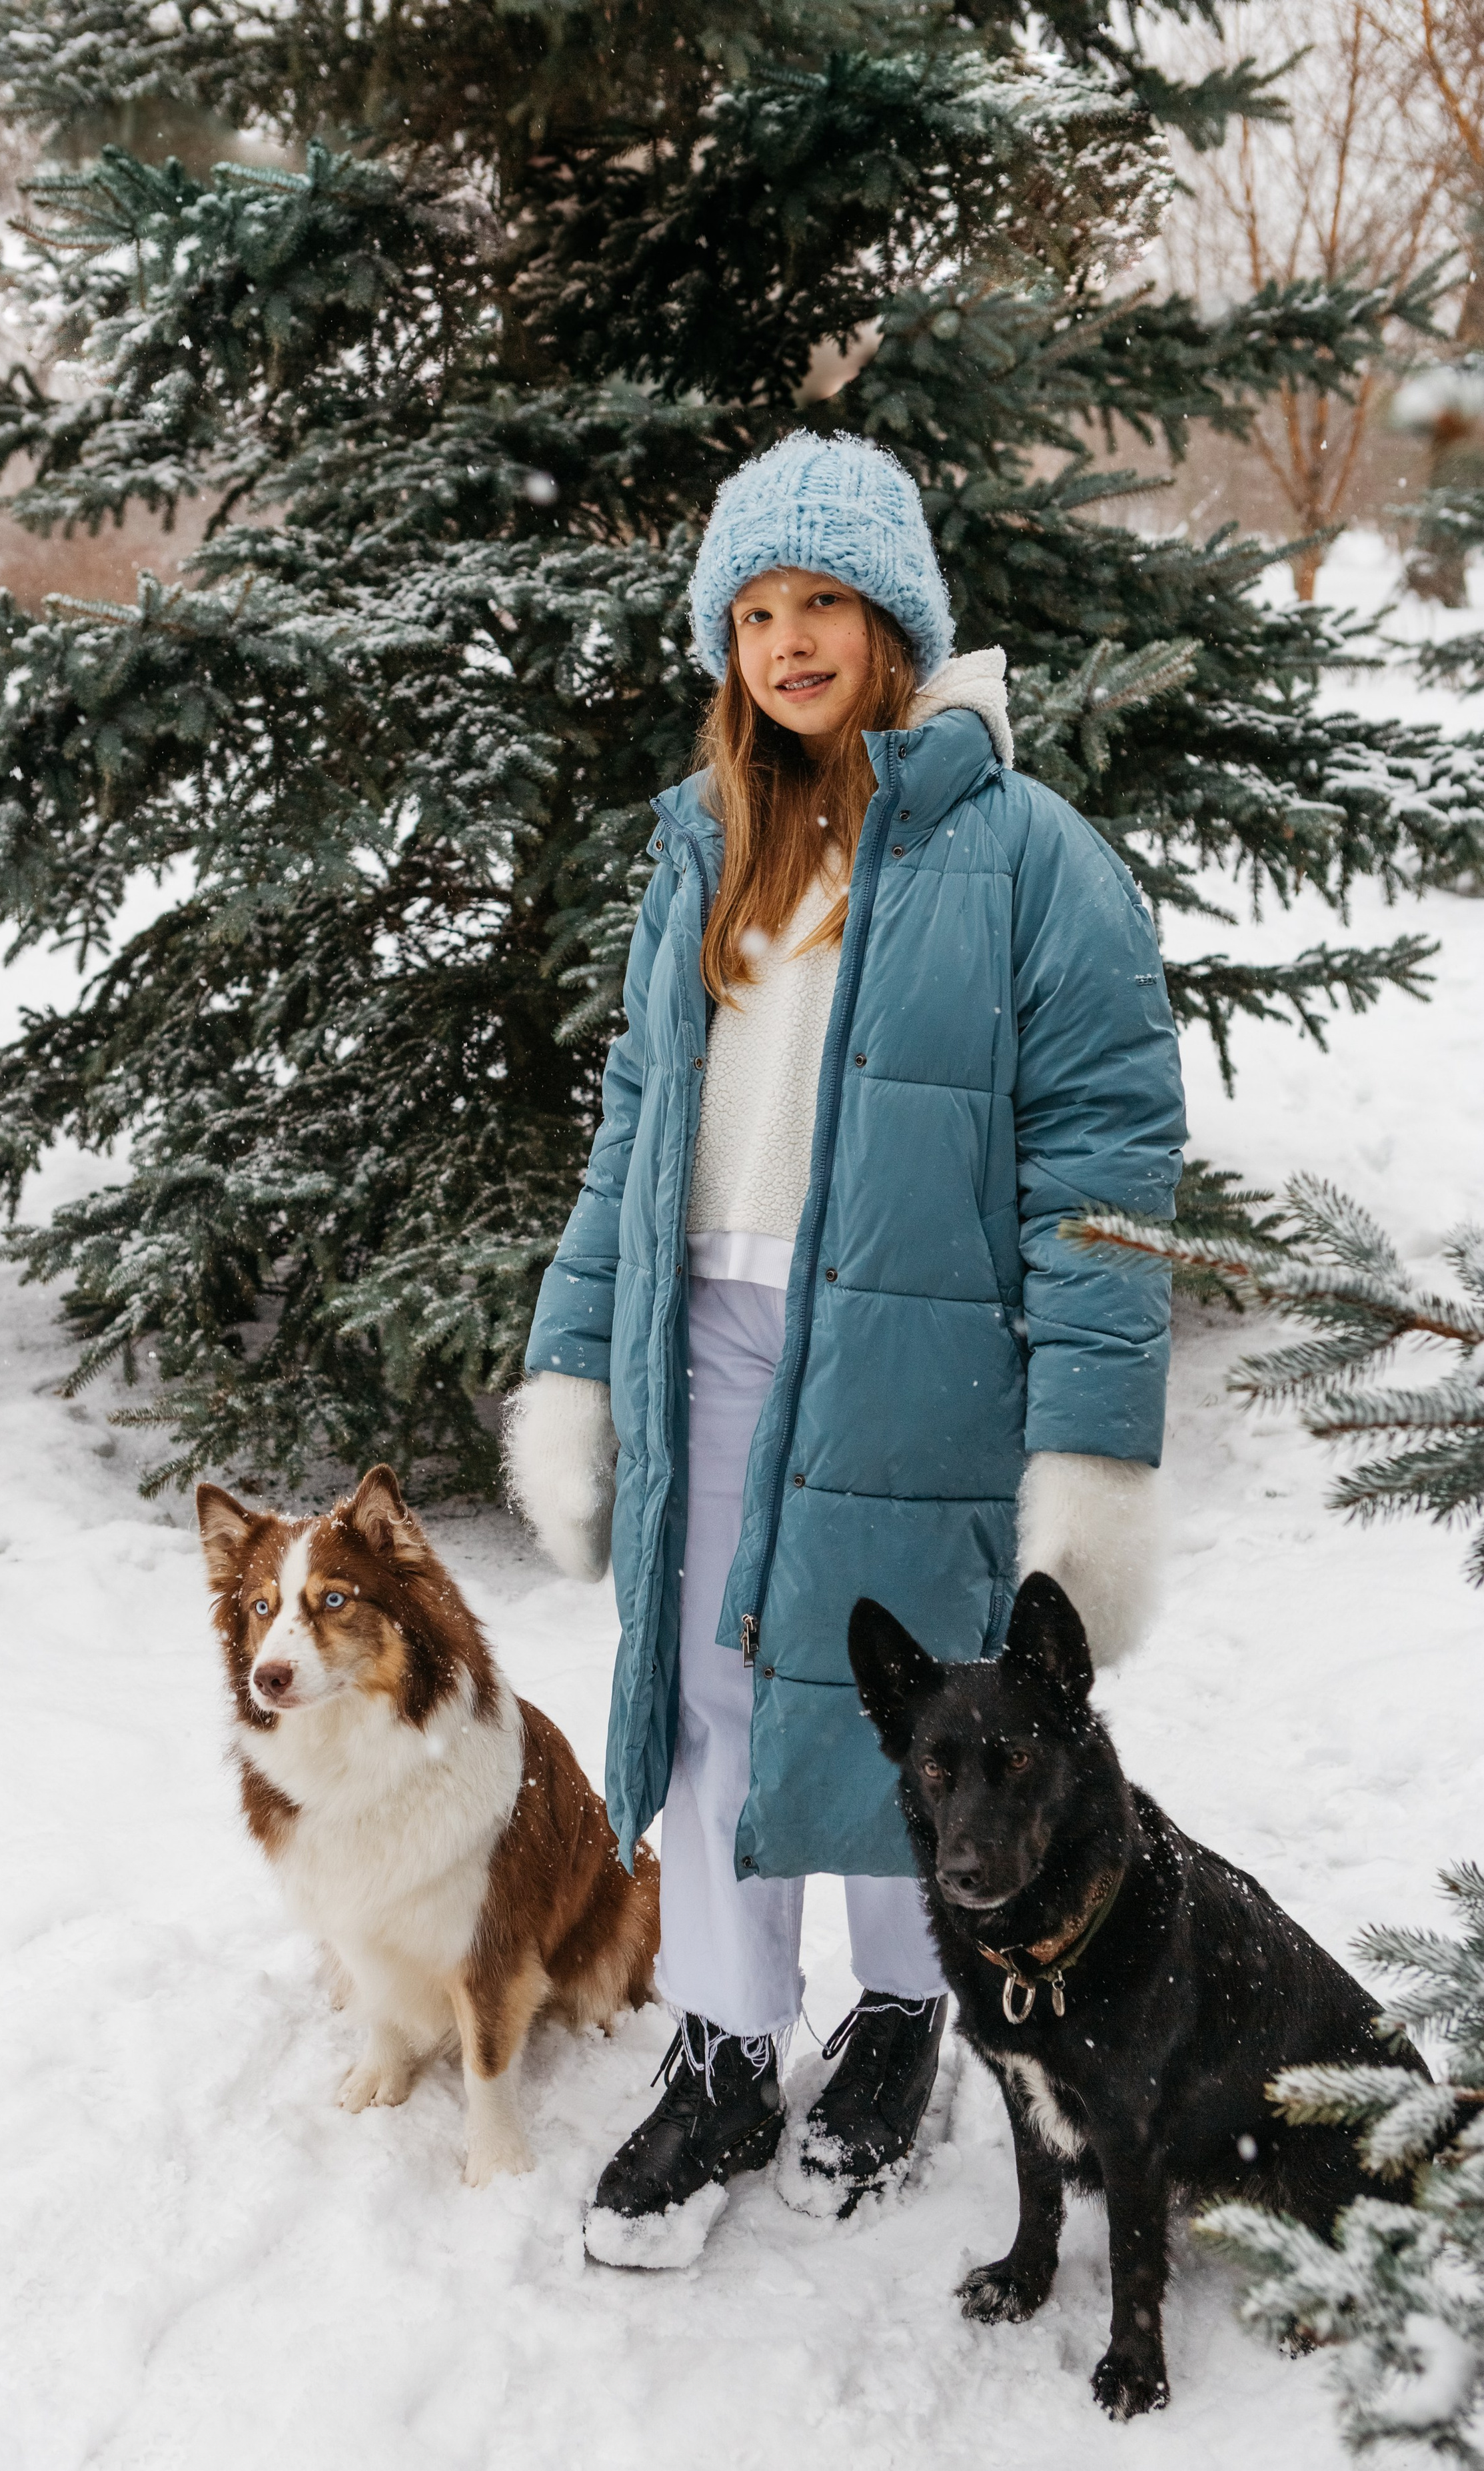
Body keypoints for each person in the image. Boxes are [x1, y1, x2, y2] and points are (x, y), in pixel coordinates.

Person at [504, 430, 1187, 2255]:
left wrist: (1093, 1455)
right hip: (708, 1335)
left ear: (894, 618)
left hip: (914, 1354)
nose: (788, 641)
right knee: (714, 1692)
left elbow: (1110, 1166)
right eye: (753, 610)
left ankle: (903, 2011)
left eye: (822, 603)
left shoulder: (1029, 857)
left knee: (919, 1717)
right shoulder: (701, 844)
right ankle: (729, 2040)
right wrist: (576, 1362)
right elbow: (634, 1130)